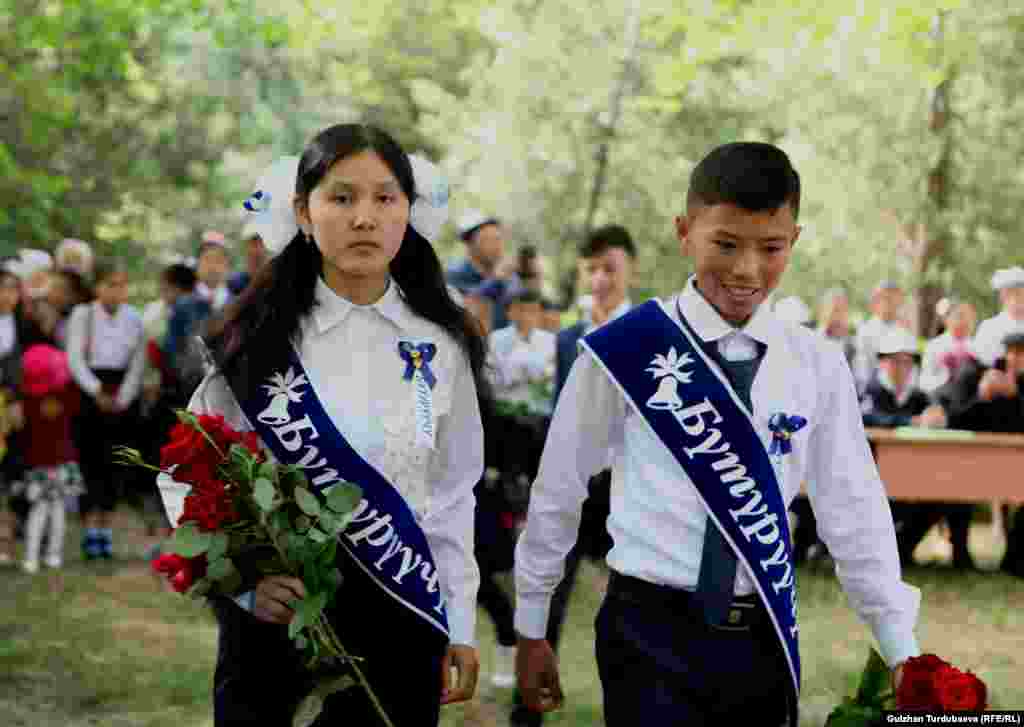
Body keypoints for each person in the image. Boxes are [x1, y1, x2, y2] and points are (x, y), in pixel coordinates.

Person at [514, 142, 920, 726]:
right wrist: (531, 624)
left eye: (771, 248)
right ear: (685, 231)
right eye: (725, 244)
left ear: (795, 241)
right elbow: (558, 488)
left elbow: (851, 506)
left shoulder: (816, 364)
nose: (746, 269)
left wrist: (899, 644)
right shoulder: (623, 351)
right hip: (648, 629)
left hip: (763, 635)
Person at [158, 124, 485, 726]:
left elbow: (451, 491)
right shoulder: (255, 339)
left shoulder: (442, 340)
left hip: (401, 609)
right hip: (275, 621)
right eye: (342, 197)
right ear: (303, 213)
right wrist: (244, 584)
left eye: (385, 198)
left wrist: (458, 619)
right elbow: (186, 468)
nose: (365, 217)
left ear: (409, 213)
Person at [509, 224, 636, 727]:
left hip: (628, 489)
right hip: (576, 486)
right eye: (594, 269)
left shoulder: (651, 336)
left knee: (631, 604)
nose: (602, 279)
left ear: (631, 269)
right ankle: (528, 706)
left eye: (611, 268)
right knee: (549, 594)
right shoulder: (566, 339)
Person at [67, 260, 146, 560]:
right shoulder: (83, 314)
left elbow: (138, 363)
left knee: (116, 462)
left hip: (122, 391)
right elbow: (74, 358)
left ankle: (106, 529)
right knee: (90, 460)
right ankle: (90, 529)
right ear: (98, 286)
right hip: (91, 389)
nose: (116, 291)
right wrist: (96, 390)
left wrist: (123, 398)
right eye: (110, 284)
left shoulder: (134, 318)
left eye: (122, 284)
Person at [935, 327, 1024, 577]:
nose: (1017, 359)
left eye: (1022, 353)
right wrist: (983, 397)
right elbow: (956, 420)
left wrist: (1015, 395)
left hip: (1017, 460)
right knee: (958, 484)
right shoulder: (975, 375)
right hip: (973, 456)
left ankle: (1014, 561)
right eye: (1012, 352)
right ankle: (960, 554)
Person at [15, 343, 84, 572]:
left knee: (40, 511)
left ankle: (33, 557)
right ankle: (51, 555)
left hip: (41, 466)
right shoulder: (66, 398)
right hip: (61, 464)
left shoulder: (29, 403)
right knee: (56, 511)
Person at [853, 280, 907, 394]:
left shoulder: (904, 330)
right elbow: (862, 367)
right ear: (876, 301)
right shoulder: (866, 331)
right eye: (886, 298)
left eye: (894, 299)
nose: (890, 303)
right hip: (874, 390)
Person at [919, 300, 977, 394]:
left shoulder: (976, 347)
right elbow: (925, 381)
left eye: (971, 317)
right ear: (947, 318)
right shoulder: (934, 346)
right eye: (961, 315)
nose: (966, 320)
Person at [972, 267, 1024, 367]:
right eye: (1014, 293)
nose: (1019, 298)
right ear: (1002, 296)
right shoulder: (989, 328)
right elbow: (981, 364)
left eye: (1021, 293)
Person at [195, 231, 234, 311]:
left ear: (227, 266)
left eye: (218, 260)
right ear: (198, 264)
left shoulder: (239, 305)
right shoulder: (182, 304)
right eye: (207, 259)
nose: (212, 266)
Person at [816, 287, 855, 366]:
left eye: (844, 311)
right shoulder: (810, 342)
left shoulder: (854, 347)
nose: (840, 317)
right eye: (836, 310)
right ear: (822, 311)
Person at [227, 224, 270, 296]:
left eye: (262, 244)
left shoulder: (277, 280)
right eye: (254, 244)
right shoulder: (234, 283)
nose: (258, 250)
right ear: (246, 248)